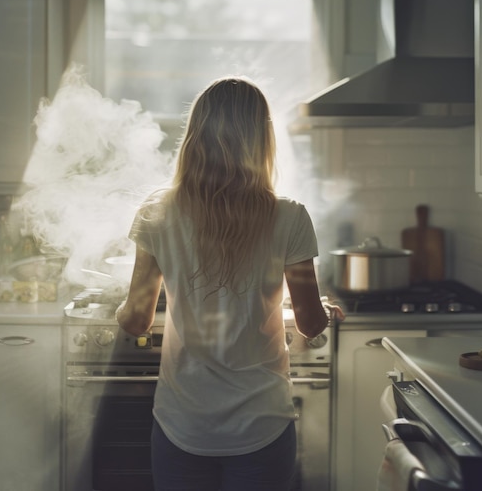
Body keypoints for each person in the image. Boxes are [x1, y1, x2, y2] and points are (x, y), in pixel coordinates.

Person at [116, 76, 345, 491]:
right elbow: (310, 323)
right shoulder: (290, 217)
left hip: (182, 423)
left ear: (195, 137)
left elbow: (135, 320)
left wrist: (119, 305)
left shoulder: (157, 211)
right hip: (262, 424)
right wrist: (324, 310)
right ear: (261, 140)